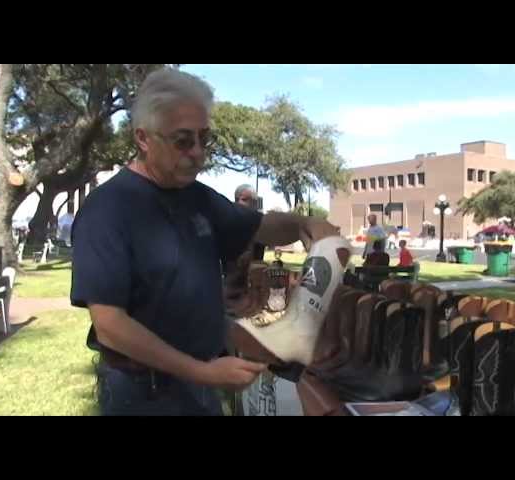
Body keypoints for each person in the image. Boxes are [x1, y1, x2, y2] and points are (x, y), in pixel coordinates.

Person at [70, 67, 338, 416]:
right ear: (142, 138)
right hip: (142, 396)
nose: (197, 152)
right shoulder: (107, 210)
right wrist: (202, 372)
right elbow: (110, 326)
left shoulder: (197, 197)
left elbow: (261, 227)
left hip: (202, 383)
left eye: (204, 138)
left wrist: (304, 223)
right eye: (183, 140)